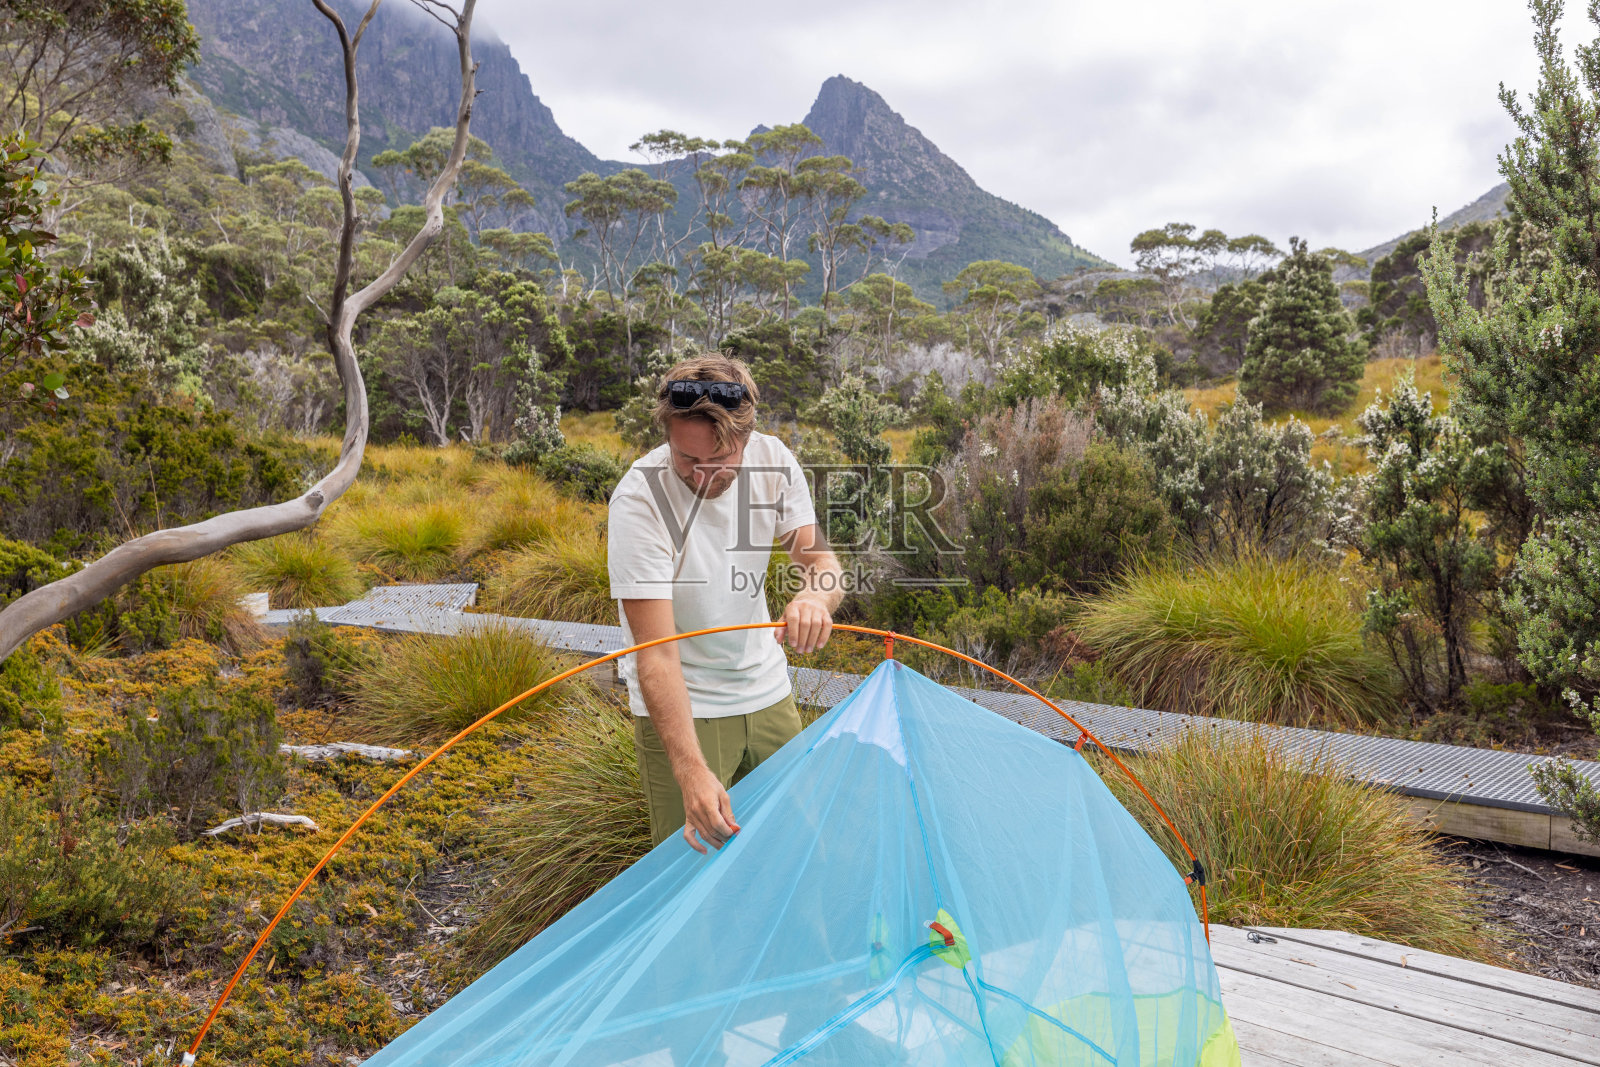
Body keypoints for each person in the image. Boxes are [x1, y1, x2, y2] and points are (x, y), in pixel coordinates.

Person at [608, 354, 844, 853]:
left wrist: (814, 599)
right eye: (686, 459)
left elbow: (822, 562)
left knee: (799, 849)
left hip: (767, 691)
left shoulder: (773, 461)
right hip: (685, 708)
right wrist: (692, 775)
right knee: (692, 876)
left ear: (746, 438)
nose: (701, 475)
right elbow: (656, 654)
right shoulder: (639, 500)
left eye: (718, 461)